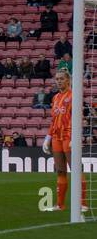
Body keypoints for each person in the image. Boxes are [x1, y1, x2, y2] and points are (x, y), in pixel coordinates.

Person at [44, 71, 88, 213]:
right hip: (57, 137)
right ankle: (60, 205)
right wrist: (47, 138)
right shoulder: (55, 97)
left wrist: (75, 137)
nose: (59, 81)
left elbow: (78, 118)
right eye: (57, 79)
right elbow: (53, 120)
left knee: (75, 169)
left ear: (68, 80)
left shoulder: (74, 96)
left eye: (62, 78)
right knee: (61, 171)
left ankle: (83, 203)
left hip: (69, 136)